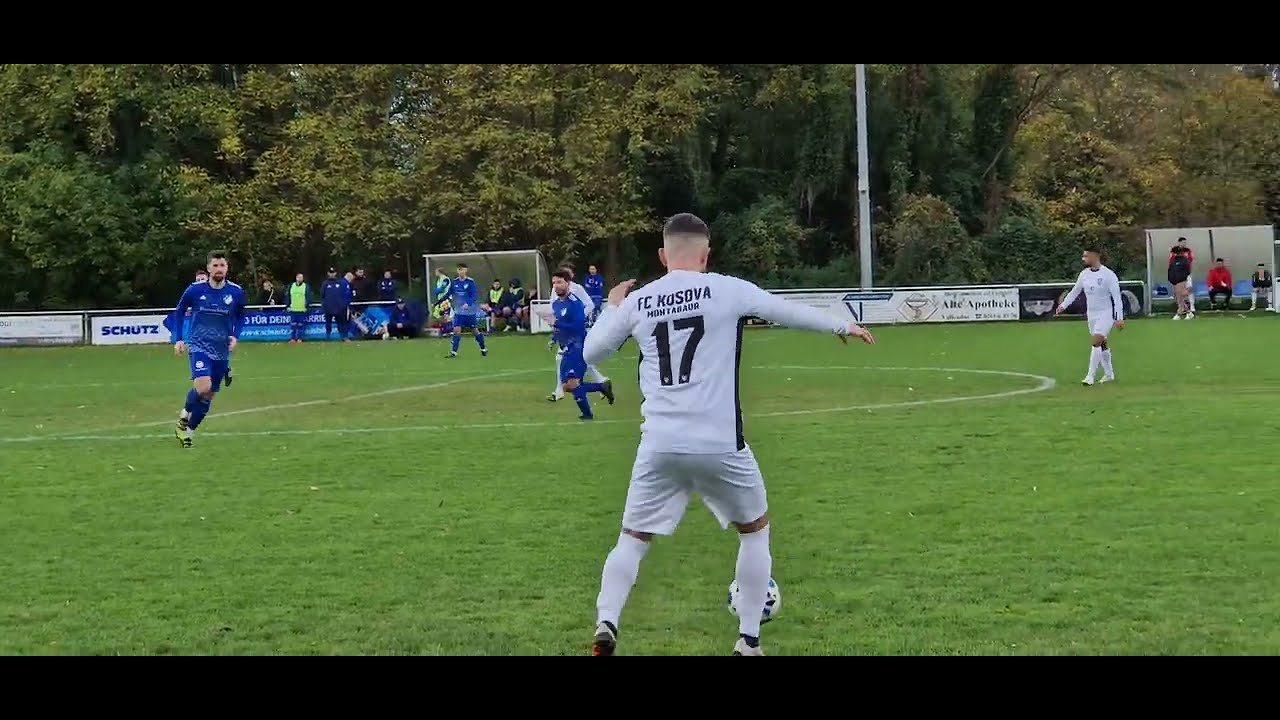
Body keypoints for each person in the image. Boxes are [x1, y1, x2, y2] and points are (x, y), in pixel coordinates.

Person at [579, 212, 875, 657]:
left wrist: (612, 306)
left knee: (633, 538)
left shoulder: (641, 301)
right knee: (754, 531)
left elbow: (591, 351)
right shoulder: (726, 288)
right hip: (719, 443)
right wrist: (839, 325)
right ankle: (749, 641)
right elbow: (783, 310)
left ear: (663, 256)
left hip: (659, 445)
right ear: (706, 253)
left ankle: (607, 623)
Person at [172, 251, 247, 448]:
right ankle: (183, 416)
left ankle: (187, 431)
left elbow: (240, 316)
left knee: (210, 394)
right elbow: (179, 311)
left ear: (227, 268)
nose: (219, 269)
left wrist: (235, 335)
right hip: (199, 345)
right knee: (203, 387)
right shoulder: (195, 290)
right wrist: (178, 338)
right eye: (215, 265)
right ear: (208, 268)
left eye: (222, 265)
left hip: (221, 348)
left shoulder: (236, 292)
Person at [545, 270, 615, 420]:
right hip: (566, 347)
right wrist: (553, 338)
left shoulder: (575, 304)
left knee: (571, 384)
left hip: (578, 346)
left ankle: (588, 413)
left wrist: (557, 322)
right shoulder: (557, 304)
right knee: (568, 385)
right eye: (554, 283)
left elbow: (577, 326)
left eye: (559, 282)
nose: (556, 286)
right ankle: (600, 390)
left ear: (567, 284)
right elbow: (559, 327)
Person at [1055, 248, 1124, 386]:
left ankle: (1090, 376)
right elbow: (1075, 291)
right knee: (1102, 343)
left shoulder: (1109, 275)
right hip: (1091, 314)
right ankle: (1109, 374)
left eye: (1086, 256)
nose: (1083, 259)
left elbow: (1117, 298)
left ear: (1095, 256)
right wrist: (1063, 305)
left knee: (1096, 341)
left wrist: (1119, 317)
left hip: (1106, 313)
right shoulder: (1084, 274)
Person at [434, 262, 488, 358]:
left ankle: (483, 348)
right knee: (456, 331)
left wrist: (468, 303)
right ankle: (453, 352)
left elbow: (474, 295)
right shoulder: (455, 282)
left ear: (466, 270)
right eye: (458, 269)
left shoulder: (470, 282)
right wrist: (439, 301)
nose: (460, 271)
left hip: (469, 312)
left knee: (475, 331)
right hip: (459, 312)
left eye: (462, 269)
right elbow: (448, 293)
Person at [321, 268, 352, 340]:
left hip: (339, 308)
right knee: (328, 323)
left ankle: (343, 337)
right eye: (330, 273)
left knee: (341, 323)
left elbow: (345, 294)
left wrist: (343, 305)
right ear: (328, 273)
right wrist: (324, 305)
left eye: (333, 273)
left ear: (335, 273)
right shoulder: (325, 283)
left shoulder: (340, 283)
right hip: (328, 308)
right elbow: (322, 295)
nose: (332, 274)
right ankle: (327, 337)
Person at [1168, 239, 1195, 319]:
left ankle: (1189, 311)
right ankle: (1181, 311)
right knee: (1178, 296)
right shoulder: (1174, 261)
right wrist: (1172, 279)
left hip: (1182, 279)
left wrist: (1183, 278)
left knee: (1184, 294)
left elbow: (1187, 268)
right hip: (1176, 280)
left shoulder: (1185, 259)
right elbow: (1171, 269)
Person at [287, 272, 311, 343]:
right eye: (299, 277)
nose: (300, 279)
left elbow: (308, 297)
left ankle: (299, 338)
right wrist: (287, 305)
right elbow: (288, 296)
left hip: (302, 309)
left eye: (302, 277)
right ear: (296, 278)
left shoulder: (305, 286)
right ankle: (293, 338)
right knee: (293, 325)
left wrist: (306, 306)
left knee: (301, 325)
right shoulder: (291, 286)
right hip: (293, 309)